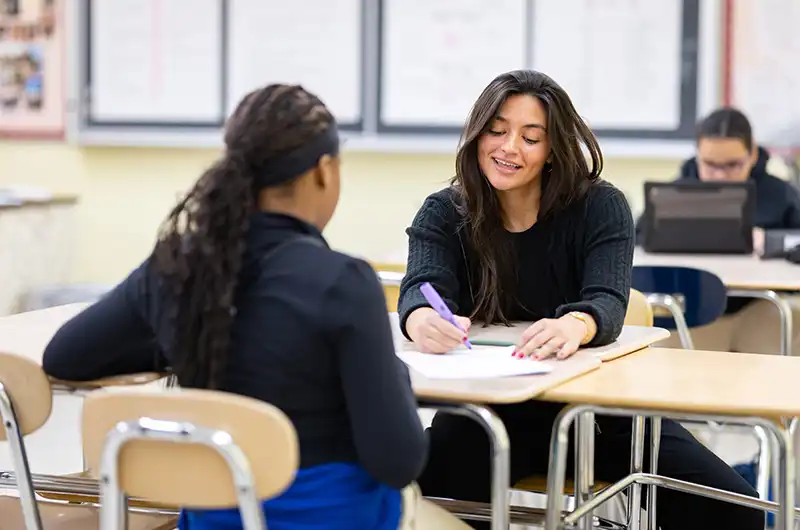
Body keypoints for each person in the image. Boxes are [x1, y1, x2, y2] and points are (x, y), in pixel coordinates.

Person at [42, 84, 469, 530]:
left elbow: (65, 356)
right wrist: (391, 373)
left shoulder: (176, 266)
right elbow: (399, 461)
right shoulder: (345, 283)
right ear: (324, 171)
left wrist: (190, 337)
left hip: (217, 520)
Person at [398, 70, 762, 530]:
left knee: (735, 510)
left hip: (599, 414)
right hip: (487, 418)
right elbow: (420, 284)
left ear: (553, 149)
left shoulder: (599, 206)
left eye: (531, 137)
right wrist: (420, 316)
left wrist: (578, 323)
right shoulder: (444, 210)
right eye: (496, 131)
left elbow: (609, 298)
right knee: (402, 495)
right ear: (476, 135)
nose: (509, 147)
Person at [637, 108, 800, 355]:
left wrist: (771, 241)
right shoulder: (673, 196)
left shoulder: (780, 195)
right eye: (710, 165)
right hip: (694, 312)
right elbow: (638, 238)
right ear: (698, 155)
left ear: (753, 154)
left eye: (733, 165)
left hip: (757, 309)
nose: (721, 175)